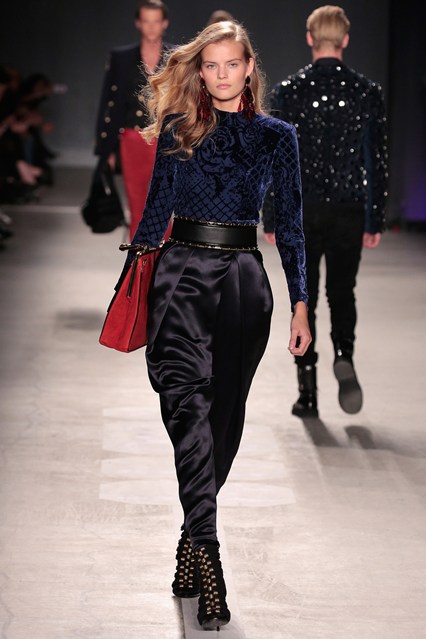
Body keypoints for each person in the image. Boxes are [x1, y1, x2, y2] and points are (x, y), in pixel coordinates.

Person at [113, 20, 311, 630]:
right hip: (180, 280)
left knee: (222, 419)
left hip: (244, 284)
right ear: (199, 71)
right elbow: (154, 216)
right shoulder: (179, 128)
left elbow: (290, 224)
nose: (222, 74)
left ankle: (189, 542)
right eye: (211, 65)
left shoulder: (278, 136)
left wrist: (302, 302)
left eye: (232, 64)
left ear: (249, 68)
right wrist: (130, 290)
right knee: (187, 413)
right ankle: (211, 558)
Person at [263, 5, 387, 418]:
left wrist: (271, 215)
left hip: (302, 210)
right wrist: (375, 217)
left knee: (305, 297)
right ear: (345, 39)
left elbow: (276, 159)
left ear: (310, 38)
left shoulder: (289, 91)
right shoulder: (367, 92)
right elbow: (376, 161)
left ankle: (308, 391)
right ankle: (343, 353)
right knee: (342, 292)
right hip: (349, 207)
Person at [94, 0, 173, 238]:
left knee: (164, 205)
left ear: (164, 23)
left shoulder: (177, 57)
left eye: (156, 21)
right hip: (132, 138)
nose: (151, 27)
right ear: (138, 23)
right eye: (146, 21)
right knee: (137, 203)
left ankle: (165, 258)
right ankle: (138, 258)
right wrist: (105, 148)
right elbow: (108, 101)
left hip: (166, 139)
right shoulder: (121, 58)